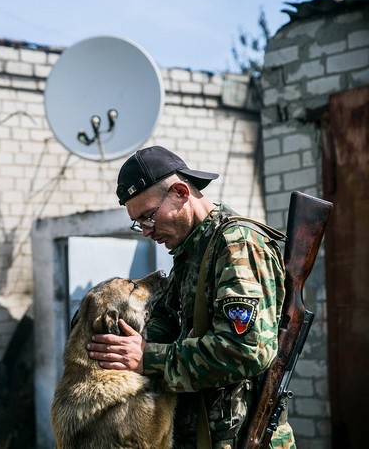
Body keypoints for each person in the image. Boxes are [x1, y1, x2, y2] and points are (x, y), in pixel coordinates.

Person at [86, 146, 295, 448]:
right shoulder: (192, 251)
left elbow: (246, 350)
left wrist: (148, 357)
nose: (146, 231)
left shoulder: (236, 245)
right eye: (138, 223)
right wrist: (115, 340)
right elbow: (168, 323)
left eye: (148, 217)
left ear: (181, 193)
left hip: (241, 440)